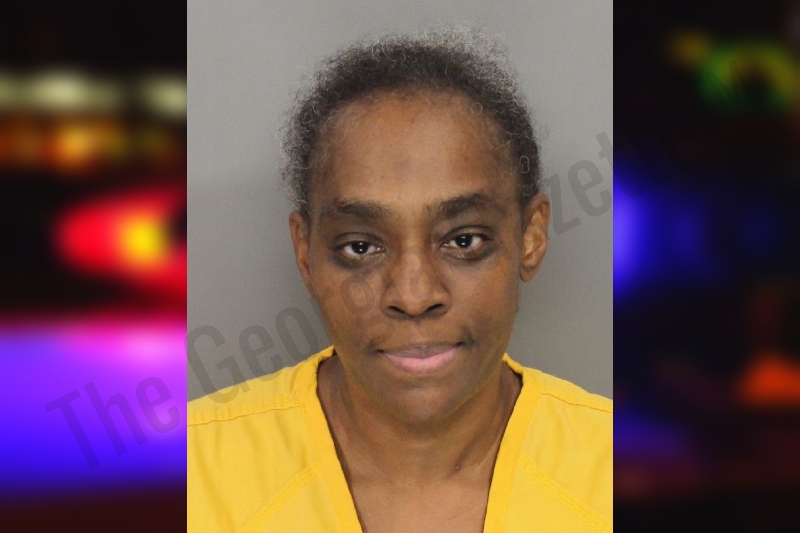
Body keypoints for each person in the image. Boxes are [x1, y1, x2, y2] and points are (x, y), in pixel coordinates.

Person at [188, 27, 612, 533]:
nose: (413, 297)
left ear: (530, 237)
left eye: (464, 240)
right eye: (360, 247)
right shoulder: (193, 473)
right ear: (305, 252)